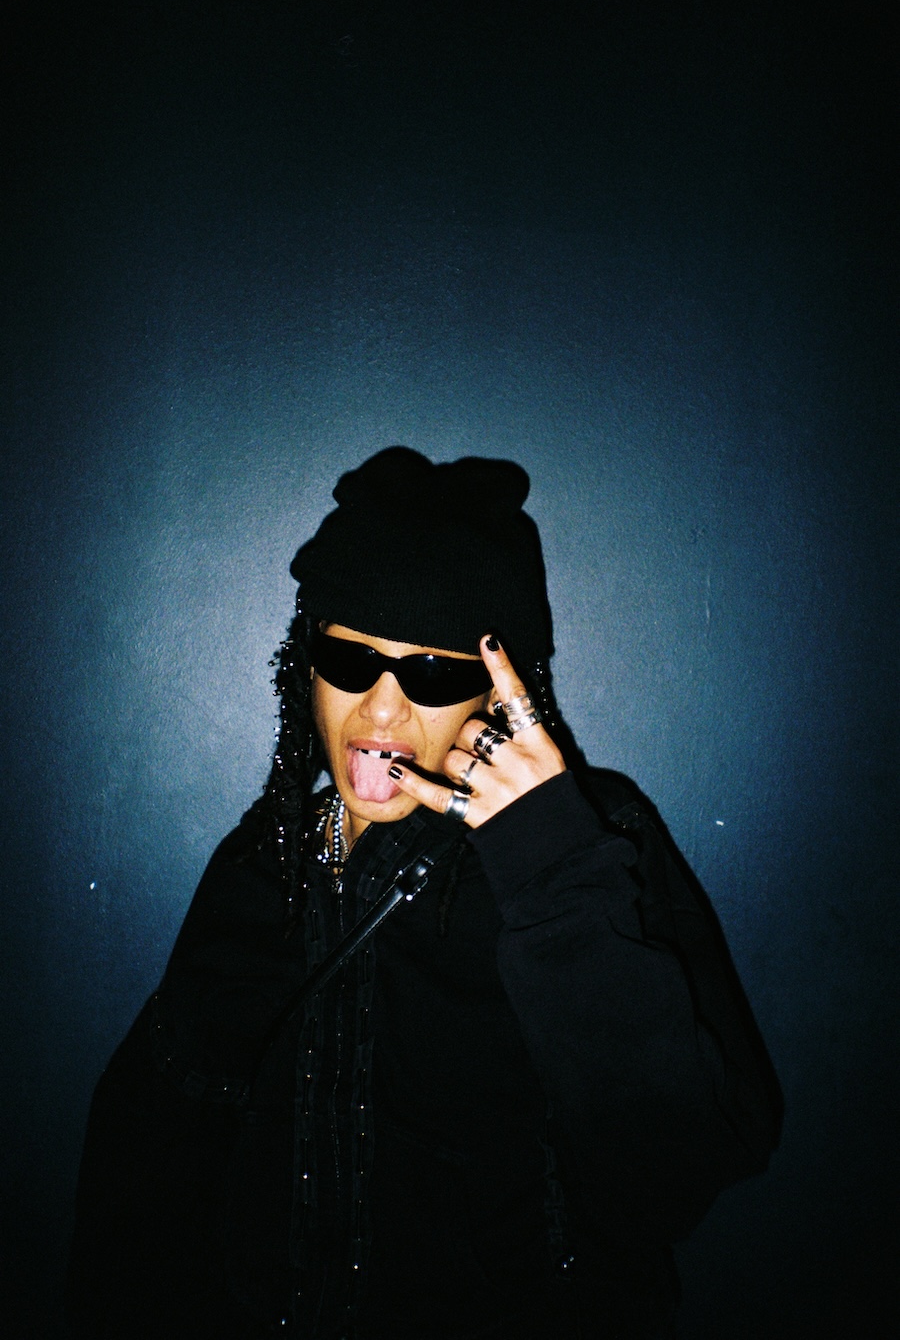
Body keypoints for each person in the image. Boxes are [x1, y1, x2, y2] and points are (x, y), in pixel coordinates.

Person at [67, 448, 781, 1339]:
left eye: (434, 670)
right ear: (306, 662)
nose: (381, 709)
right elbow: (144, 1167)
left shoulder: (590, 844)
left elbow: (679, 1170)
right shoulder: (265, 862)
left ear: (499, 689)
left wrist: (551, 865)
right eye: (351, 657)